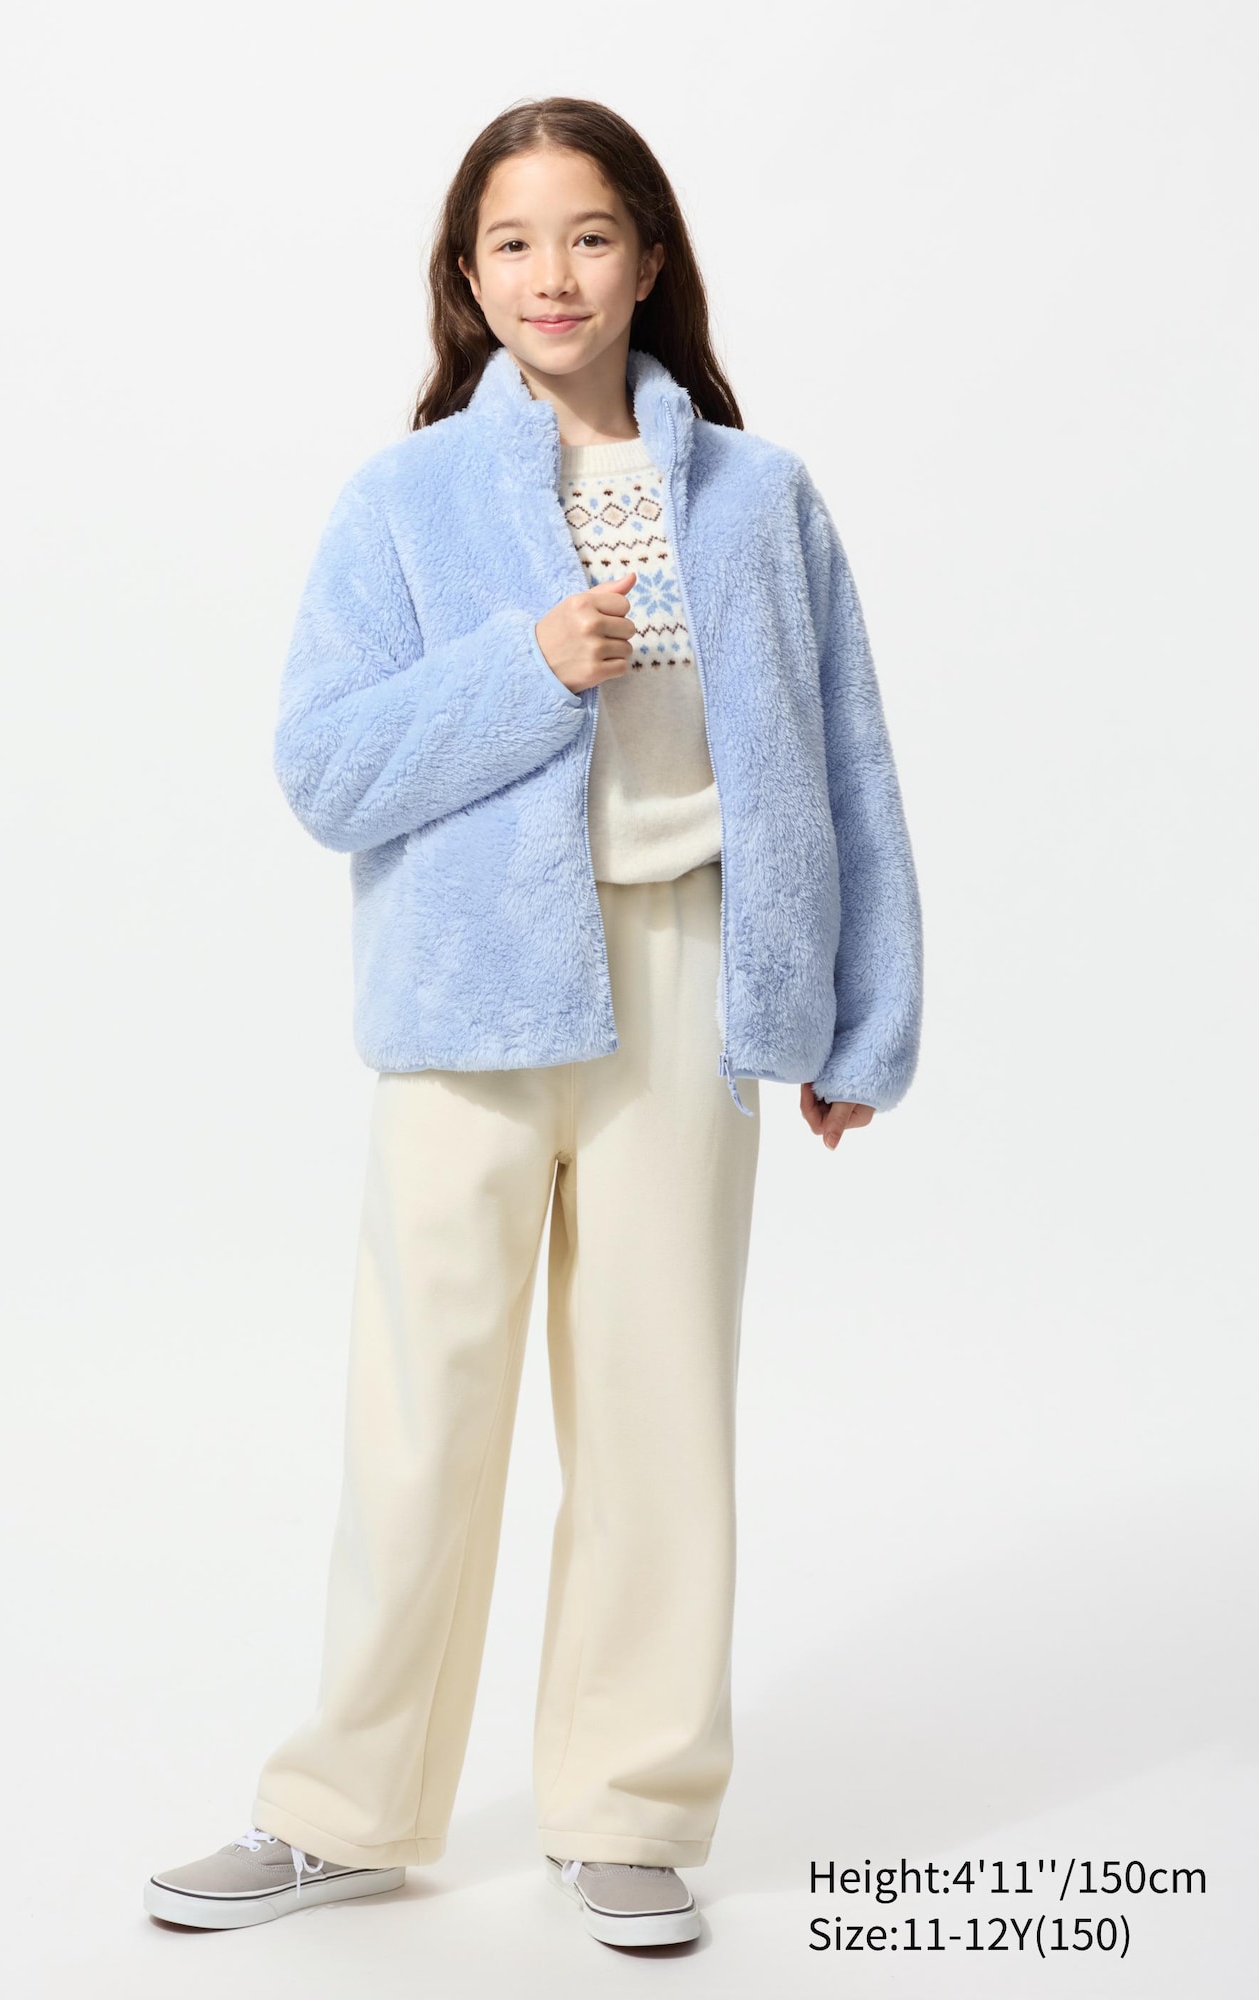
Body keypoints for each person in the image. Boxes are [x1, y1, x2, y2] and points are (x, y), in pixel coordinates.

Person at [144, 95, 923, 1953]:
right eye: (512, 242)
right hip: (467, 1008)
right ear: (467, 276)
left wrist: (857, 1018)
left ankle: (629, 1813)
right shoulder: (401, 502)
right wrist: (528, 670)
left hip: (686, 986)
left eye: (587, 235)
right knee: (419, 1426)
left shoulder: (762, 501)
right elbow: (326, 769)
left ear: (647, 258)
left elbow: (850, 764)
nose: (551, 273)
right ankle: (344, 1814)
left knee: (659, 1423)